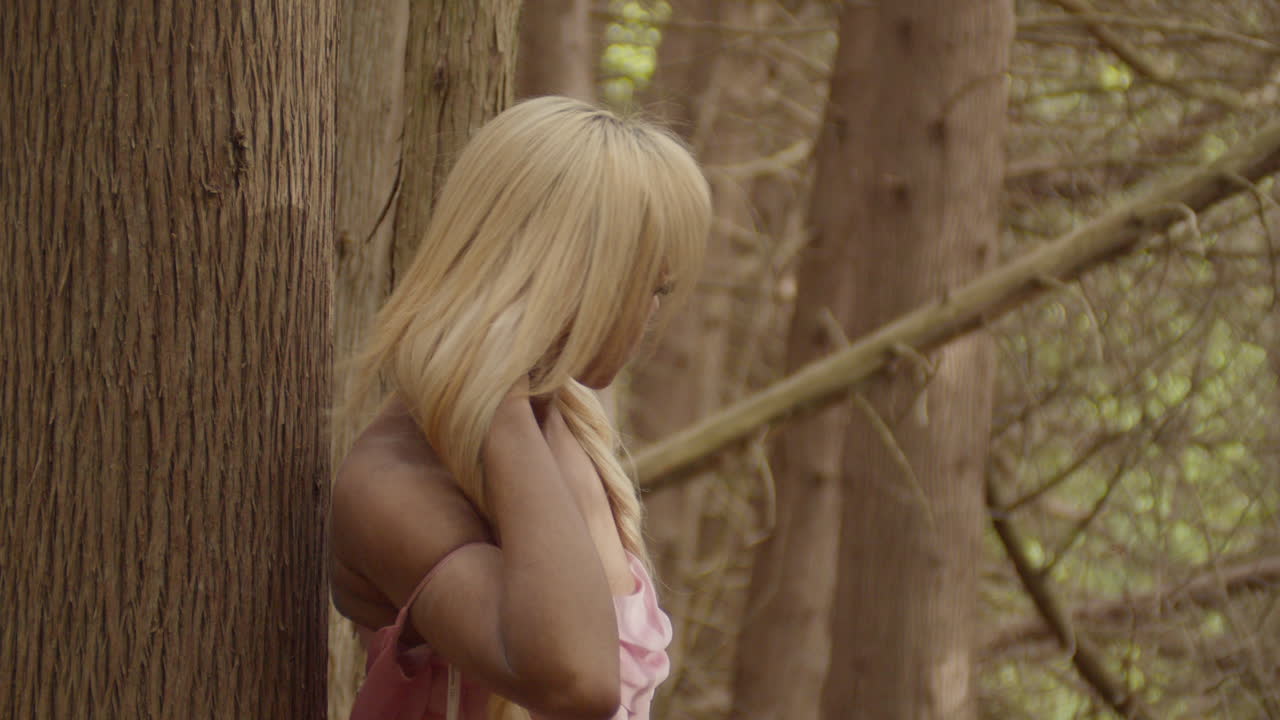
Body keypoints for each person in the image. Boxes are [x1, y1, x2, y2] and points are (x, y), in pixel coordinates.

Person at [327, 96, 711, 720]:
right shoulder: (393, 482)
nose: (651, 313)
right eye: (646, 285)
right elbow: (578, 682)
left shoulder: (565, 422)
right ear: (567, 277)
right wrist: (495, 391)